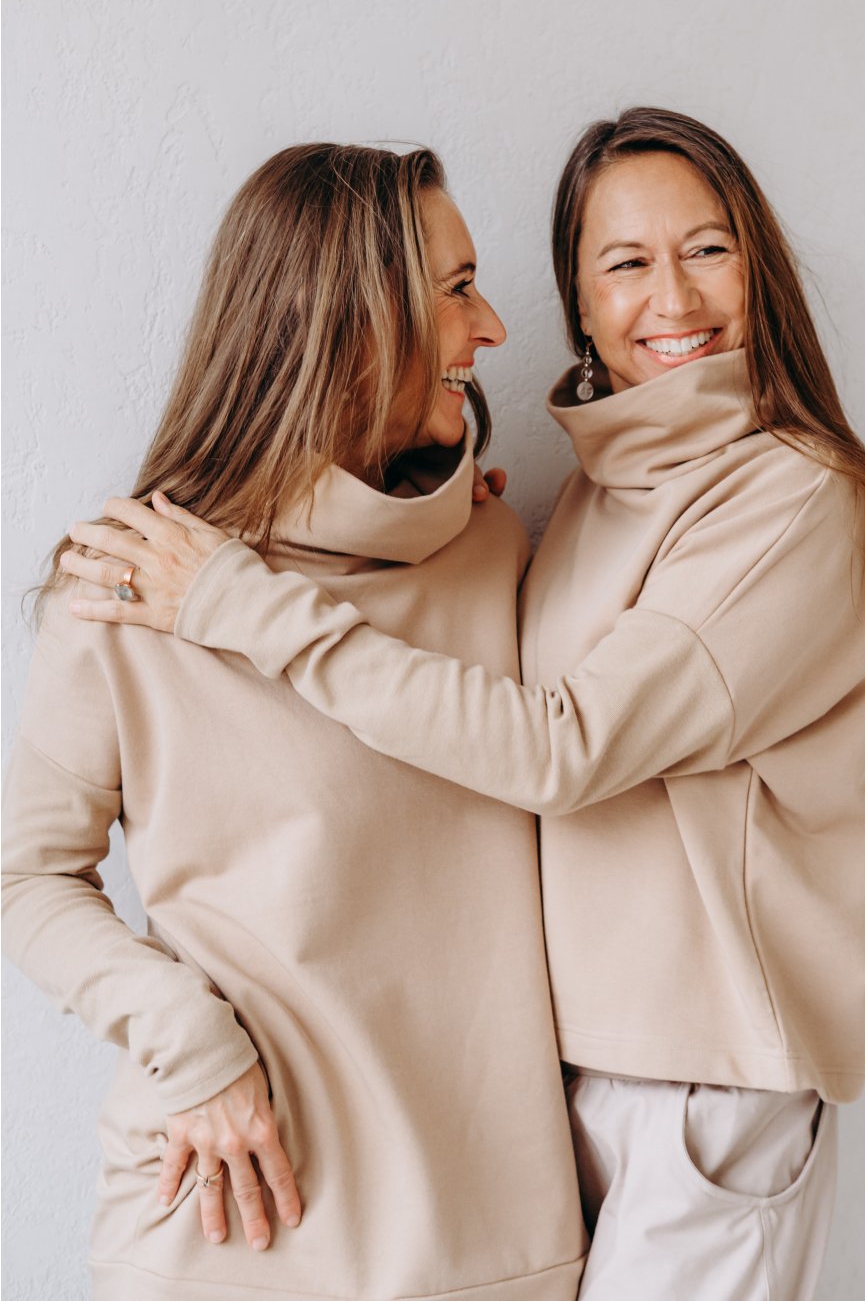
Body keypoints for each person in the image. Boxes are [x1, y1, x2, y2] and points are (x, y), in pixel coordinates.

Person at [64, 108, 865, 1301]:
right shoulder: (573, 504)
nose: (672, 296)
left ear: (758, 268)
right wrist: (417, 526)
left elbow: (562, 746)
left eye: (708, 249)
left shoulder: (790, 500)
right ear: (583, 307)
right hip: (559, 1091)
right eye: (624, 262)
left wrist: (246, 602)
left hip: (706, 1084)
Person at [2, 142, 587, 1301]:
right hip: (225, 1214)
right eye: (457, 289)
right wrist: (187, 1040)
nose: (493, 329)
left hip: (487, 1238)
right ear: (348, 323)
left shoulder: (492, 550)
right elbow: (25, 878)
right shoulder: (125, 585)